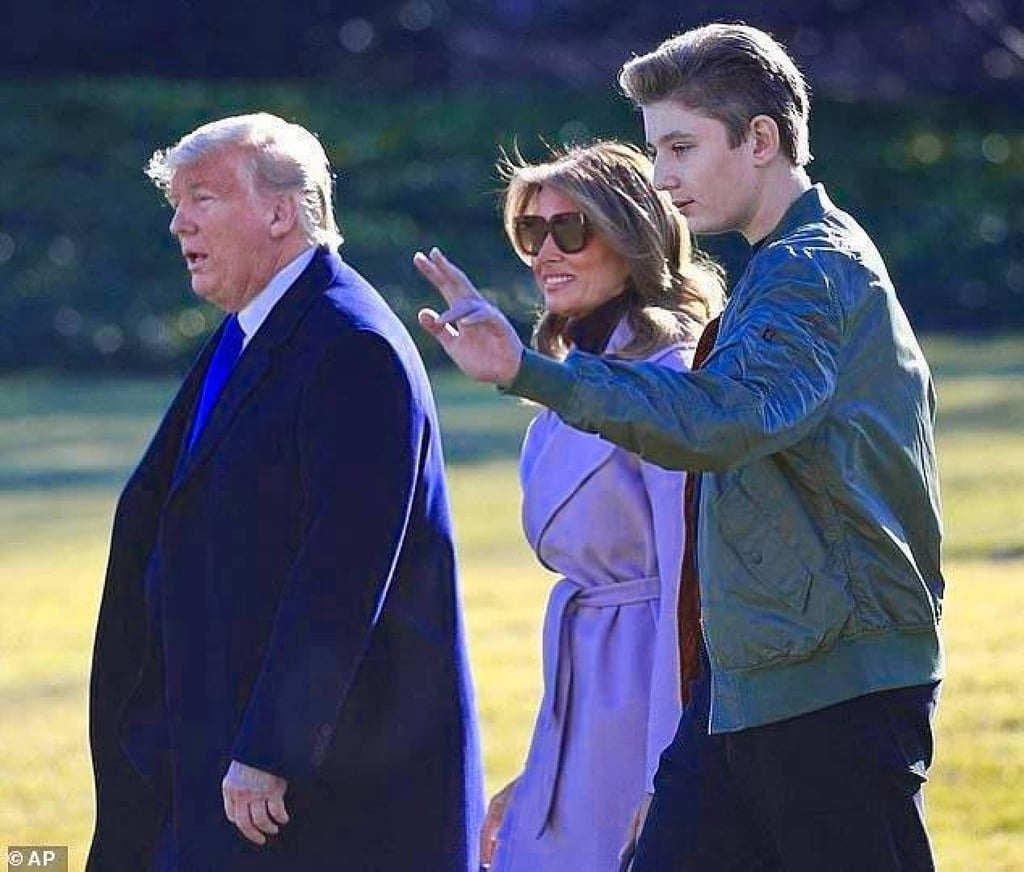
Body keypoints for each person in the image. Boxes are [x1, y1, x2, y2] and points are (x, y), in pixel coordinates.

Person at [414, 22, 944, 872]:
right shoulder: (779, 268)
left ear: (760, 139)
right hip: (751, 683)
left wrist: (529, 372)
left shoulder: (812, 268)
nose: (662, 176)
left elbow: (724, 418)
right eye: (657, 149)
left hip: (833, 684)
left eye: (682, 148)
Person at [87, 112, 483, 871]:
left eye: (202, 198)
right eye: (176, 202)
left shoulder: (352, 345)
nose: (178, 223)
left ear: (280, 212)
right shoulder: (252, 329)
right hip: (217, 756)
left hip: (321, 792)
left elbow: (345, 568)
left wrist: (275, 746)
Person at [471, 142, 723, 872]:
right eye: (532, 231)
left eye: (571, 229)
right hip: (586, 697)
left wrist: (667, 776)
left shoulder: (668, 377)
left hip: (648, 701)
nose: (547, 251)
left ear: (632, 236)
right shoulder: (570, 380)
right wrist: (539, 773)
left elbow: (688, 592)